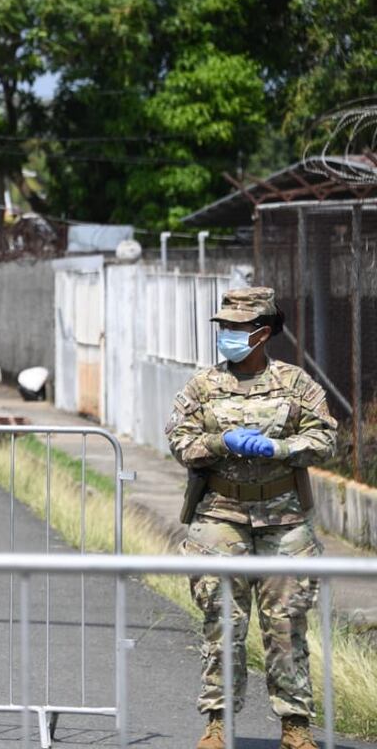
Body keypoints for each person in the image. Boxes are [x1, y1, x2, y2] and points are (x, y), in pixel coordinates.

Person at [166, 287, 337, 749]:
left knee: (286, 625)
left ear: (262, 333)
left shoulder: (297, 384)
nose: (227, 335)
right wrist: (222, 442)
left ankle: (296, 727)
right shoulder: (202, 386)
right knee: (222, 622)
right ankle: (218, 723)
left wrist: (281, 448)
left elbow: (325, 439)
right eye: (223, 328)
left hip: (283, 518)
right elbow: (180, 442)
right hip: (221, 513)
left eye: (236, 328)